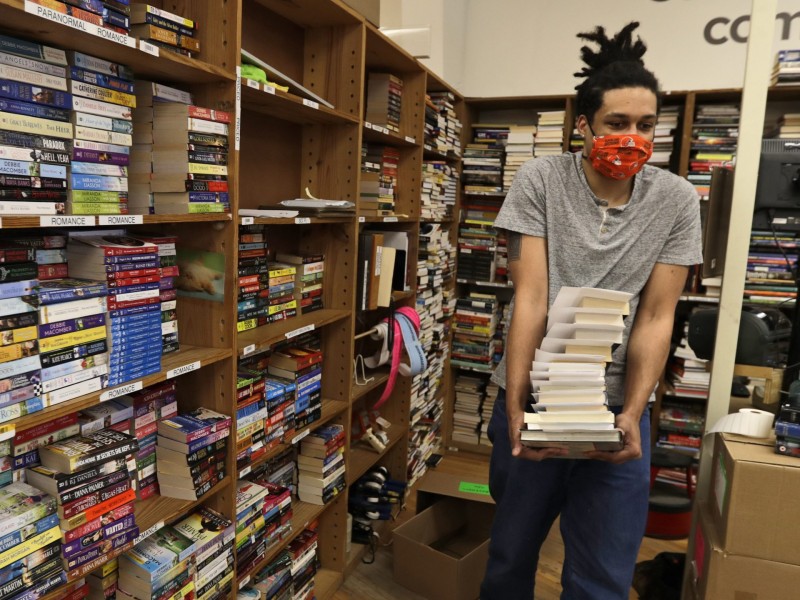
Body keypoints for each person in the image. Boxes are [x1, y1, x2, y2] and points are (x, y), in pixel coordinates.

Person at [479, 22, 703, 600]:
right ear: (583, 124)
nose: (632, 137)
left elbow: (657, 316)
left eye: (646, 125)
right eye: (616, 123)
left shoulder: (676, 200)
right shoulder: (541, 180)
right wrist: (514, 400)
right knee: (509, 560)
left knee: (603, 575)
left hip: (615, 411)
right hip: (536, 397)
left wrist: (633, 410)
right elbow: (529, 297)